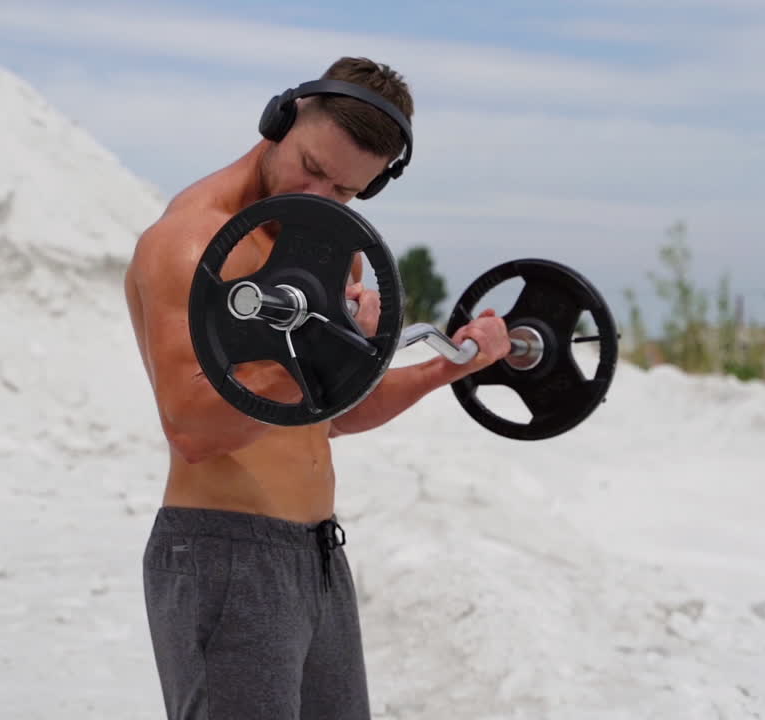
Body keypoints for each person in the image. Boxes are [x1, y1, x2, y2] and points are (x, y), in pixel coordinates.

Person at [123, 57, 511, 720]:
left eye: (344, 191)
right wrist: (306, 344)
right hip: (224, 554)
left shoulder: (327, 248)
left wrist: (449, 366)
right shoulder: (192, 241)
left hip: (317, 554)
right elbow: (192, 429)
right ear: (281, 120)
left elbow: (325, 412)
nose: (319, 197)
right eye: (310, 167)